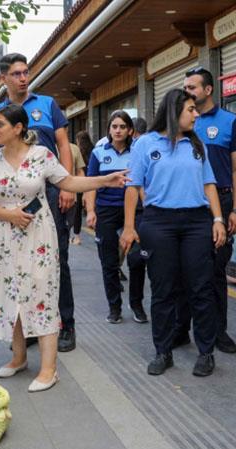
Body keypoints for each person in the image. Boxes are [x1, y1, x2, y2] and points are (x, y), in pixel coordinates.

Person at [0, 104, 129, 392]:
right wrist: (8, 215)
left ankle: (49, 369)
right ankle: (19, 357)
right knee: (12, 295)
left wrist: (105, 180)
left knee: (42, 294)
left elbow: (68, 181)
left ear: (18, 128)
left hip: (38, 237)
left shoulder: (42, 156)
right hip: (5, 238)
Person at [120, 88, 226, 377]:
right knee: (164, 290)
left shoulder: (196, 144)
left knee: (201, 289)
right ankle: (163, 351)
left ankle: (206, 353)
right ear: (174, 110)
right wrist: (129, 227)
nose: (196, 114)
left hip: (196, 222)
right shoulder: (145, 144)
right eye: (191, 109)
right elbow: (132, 187)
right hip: (158, 223)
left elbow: (209, 184)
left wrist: (218, 219)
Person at [0, 52, 78, 353]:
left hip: (48, 190)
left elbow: (63, 144)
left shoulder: (48, 105)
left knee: (55, 260)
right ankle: (29, 329)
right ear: (4, 78)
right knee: (16, 264)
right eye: (17, 74)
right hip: (13, 198)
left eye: (26, 72)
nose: (24, 78)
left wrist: (68, 188)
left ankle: (65, 325)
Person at [175, 67, 236, 353]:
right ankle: (181, 329)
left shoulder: (229, 122)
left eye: (193, 86)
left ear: (208, 90)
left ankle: (218, 332)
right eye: (185, 87)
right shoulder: (180, 122)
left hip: (223, 201)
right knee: (184, 270)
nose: (188, 91)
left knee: (215, 270)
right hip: (189, 205)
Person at [84, 110, 148, 325]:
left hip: (136, 210)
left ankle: (136, 304)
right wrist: (91, 211)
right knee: (109, 261)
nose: (118, 130)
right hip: (107, 210)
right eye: (114, 127)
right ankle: (114, 307)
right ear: (109, 130)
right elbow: (91, 182)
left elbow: (142, 183)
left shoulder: (138, 151)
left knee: (137, 259)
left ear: (130, 130)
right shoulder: (99, 151)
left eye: (122, 127)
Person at [67, 140, 86, 245]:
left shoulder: (74, 148)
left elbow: (80, 171)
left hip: (72, 196)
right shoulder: (45, 146)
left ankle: (76, 236)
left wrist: (84, 193)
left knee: (75, 215)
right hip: (50, 196)